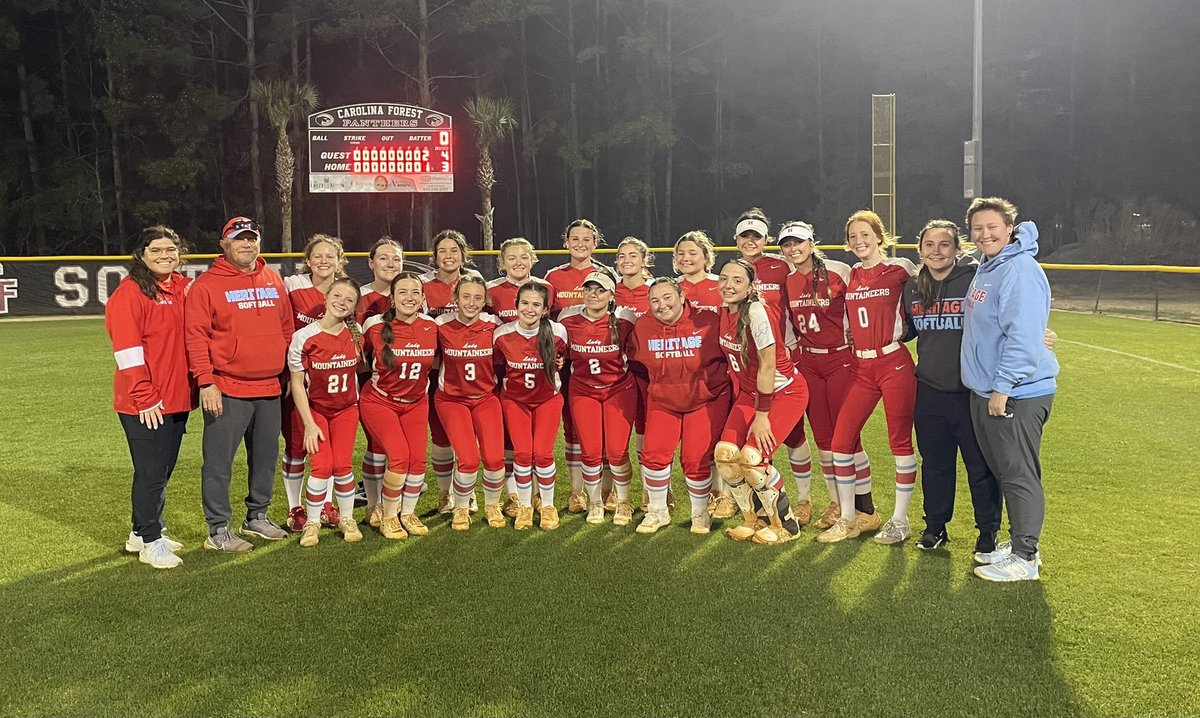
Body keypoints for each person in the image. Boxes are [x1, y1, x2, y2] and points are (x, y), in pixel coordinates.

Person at [961, 197, 1058, 582]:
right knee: (1005, 470)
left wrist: (1003, 386)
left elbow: (1022, 336)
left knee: (1018, 474)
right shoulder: (990, 266)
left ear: (1009, 229)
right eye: (978, 228)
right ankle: (1020, 543)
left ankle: (1025, 556)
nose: (985, 234)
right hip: (989, 389)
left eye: (992, 227)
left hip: (1018, 391)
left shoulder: (1018, 268)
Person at [185, 216, 294, 552]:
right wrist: (206, 382)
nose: (247, 244)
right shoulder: (206, 285)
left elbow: (286, 327)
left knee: (265, 458)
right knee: (219, 464)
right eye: (239, 238)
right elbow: (195, 337)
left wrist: (287, 372)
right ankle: (218, 529)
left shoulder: (272, 278)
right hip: (227, 387)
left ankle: (257, 516)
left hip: (270, 387)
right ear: (224, 243)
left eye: (252, 238)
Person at [900, 220, 1002, 552]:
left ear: (958, 248)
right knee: (935, 465)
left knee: (980, 466)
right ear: (920, 249)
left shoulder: (974, 278)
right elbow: (909, 330)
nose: (936, 251)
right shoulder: (913, 286)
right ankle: (935, 527)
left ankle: (987, 531)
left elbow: (1002, 315)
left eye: (944, 244)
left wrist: (1035, 332)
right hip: (929, 389)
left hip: (972, 390)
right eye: (929, 245)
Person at [818, 210, 918, 545]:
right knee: (841, 442)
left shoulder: (900, 267)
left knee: (899, 443)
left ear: (879, 236)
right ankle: (848, 518)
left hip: (894, 364)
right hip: (862, 367)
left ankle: (900, 520)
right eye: (853, 236)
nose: (859, 241)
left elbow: (936, 281)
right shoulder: (850, 275)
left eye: (865, 234)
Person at [106, 225, 196, 569]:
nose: (164, 255)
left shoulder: (182, 288)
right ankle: (150, 541)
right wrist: (145, 396)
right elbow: (127, 350)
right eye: (155, 250)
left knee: (162, 469)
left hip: (176, 397)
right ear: (141, 255)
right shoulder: (130, 293)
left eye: (170, 249)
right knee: (151, 472)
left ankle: (139, 532)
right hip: (145, 402)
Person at [777, 221, 873, 529]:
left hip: (840, 359)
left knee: (847, 436)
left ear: (811, 242)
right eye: (787, 244)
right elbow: (789, 324)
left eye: (798, 242)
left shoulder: (838, 271)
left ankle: (863, 506)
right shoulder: (789, 280)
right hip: (810, 363)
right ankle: (836, 502)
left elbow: (860, 306)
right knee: (822, 437)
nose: (793, 248)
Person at [712, 259, 806, 544]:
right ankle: (753, 519)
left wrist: (762, 415)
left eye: (737, 280)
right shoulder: (724, 310)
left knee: (753, 460)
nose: (729, 285)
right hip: (750, 393)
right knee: (726, 456)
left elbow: (768, 365)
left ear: (751, 286)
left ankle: (786, 524)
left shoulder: (755, 311)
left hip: (782, 393)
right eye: (724, 278)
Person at [629, 279, 731, 534]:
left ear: (682, 296)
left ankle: (700, 514)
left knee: (695, 458)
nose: (661, 305)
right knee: (654, 452)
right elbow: (635, 361)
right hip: (664, 398)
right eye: (654, 300)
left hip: (705, 399)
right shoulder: (643, 325)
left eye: (667, 297)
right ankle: (657, 511)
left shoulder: (708, 320)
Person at [544, 219, 616, 514]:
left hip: (601, 361)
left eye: (587, 239)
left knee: (606, 432)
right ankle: (577, 492)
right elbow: (547, 321)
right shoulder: (553, 276)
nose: (580, 244)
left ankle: (608, 491)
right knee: (573, 429)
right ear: (566, 242)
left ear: (595, 243)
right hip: (567, 363)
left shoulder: (606, 273)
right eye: (575, 238)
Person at [359, 273, 438, 540]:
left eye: (415, 292)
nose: (409, 297)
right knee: (399, 457)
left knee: (417, 460)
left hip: (416, 402)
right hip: (380, 400)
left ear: (423, 297)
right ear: (392, 298)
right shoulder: (374, 325)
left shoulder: (432, 326)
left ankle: (408, 513)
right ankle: (388, 515)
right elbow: (352, 354)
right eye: (402, 292)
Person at [287, 278, 365, 546]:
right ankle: (312, 522)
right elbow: (297, 383)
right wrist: (309, 424)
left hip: (346, 409)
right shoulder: (304, 337)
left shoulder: (357, 334)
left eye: (349, 300)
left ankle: (347, 518)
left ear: (354, 306)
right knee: (322, 466)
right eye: (338, 296)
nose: (342, 302)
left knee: (342, 465)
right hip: (316, 410)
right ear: (326, 297)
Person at [559, 272, 638, 524]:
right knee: (591, 451)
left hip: (618, 389)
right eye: (589, 289)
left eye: (600, 290)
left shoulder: (626, 318)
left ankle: (623, 500)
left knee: (616, 451)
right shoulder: (567, 318)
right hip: (583, 389)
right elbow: (557, 348)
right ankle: (595, 503)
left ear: (612, 295)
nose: (593, 294)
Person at [282, 234, 349, 533]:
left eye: (330, 256)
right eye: (317, 256)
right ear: (307, 260)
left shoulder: (345, 290)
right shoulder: (292, 285)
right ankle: (294, 506)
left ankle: (326, 504)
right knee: (297, 445)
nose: (324, 261)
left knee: (330, 448)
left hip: (331, 382)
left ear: (339, 260)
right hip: (298, 378)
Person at [486, 237, 555, 516]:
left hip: (541, 375)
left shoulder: (546, 288)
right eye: (511, 257)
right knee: (512, 444)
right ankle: (515, 497)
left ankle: (541, 499)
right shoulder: (491, 290)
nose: (518, 262)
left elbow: (555, 337)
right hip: (510, 377)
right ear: (501, 262)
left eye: (524, 256)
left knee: (541, 448)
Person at [494, 283, 569, 531]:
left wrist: (560, 362)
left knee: (543, 453)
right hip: (515, 400)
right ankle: (525, 506)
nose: (529, 309)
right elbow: (497, 367)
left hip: (547, 398)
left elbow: (564, 358)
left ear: (545, 309)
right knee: (523, 453)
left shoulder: (557, 332)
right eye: (524, 303)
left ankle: (547, 505)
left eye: (536, 304)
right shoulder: (502, 334)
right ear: (515, 305)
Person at [435, 274, 506, 530]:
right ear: (455, 298)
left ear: (485, 300)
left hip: (485, 397)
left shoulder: (494, 324)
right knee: (468, 458)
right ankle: (462, 507)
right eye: (465, 296)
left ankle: (492, 504)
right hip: (452, 399)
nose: (471, 303)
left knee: (495, 458)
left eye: (477, 298)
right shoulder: (440, 324)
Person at [420, 229, 475, 514]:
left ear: (463, 255)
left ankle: (468, 491)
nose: (448, 256)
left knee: (468, 434)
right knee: (440, 435)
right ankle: (445, 493)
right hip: (434, 370)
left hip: (469, 370)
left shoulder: (474, 282)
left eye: (454, 250)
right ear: (435, 256)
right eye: (442, 250)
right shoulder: (423, 285)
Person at [355, 237, 405, 522]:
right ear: (371, 263)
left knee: (401, 445)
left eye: (396, 258)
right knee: (377, 443)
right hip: (371, 380)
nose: (390, 263)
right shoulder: (360, 297)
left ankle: (396, 496)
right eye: (384, 258)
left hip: (407, 382)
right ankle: (374, 502)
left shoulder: (410, 291)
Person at [733, 208, 790, 338]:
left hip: (779, 341)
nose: (750, 241)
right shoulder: (731, 270)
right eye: (744, 236)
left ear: (766, 239)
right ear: (737, 239)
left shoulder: (782, 266)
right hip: (743, 342)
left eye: (757, 236)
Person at [673, 230, 723, 312]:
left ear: (706, 257)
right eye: (681, 254)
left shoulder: (721, 284)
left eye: (692, 253)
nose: (685, 258)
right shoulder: (672, 287)